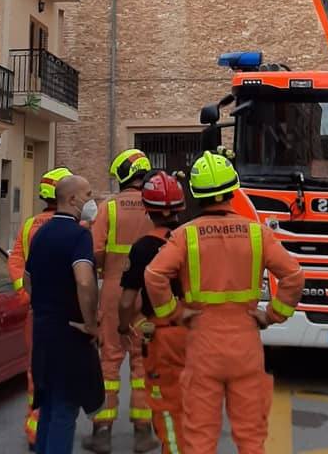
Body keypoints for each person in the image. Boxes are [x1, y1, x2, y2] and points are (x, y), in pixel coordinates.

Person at [145, 150, 304, 454]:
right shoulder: (258, 234)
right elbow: (294, 277)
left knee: (200, 439)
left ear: (196, 194)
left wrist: (176, 313)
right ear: (233, 190)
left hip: (203, 345)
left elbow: (154, 276)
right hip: (245, 345)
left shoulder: (184, 236)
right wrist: (271, 315)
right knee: (251, 438)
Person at [25, 175, 104, 454]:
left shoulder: (40, 234)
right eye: (89, 194)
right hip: (69, 333)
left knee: (47, 405)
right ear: (72, 200)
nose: (92, 200)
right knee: (64, 409)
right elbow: (84, 281)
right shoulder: (79, 235)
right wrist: (91, 323)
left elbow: (27, 281)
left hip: (43, 332)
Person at [85, 149, 157, 453]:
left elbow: (94, 252)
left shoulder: (108, 208)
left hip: (115, 291)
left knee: (109, 363)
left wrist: (107, 267)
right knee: (143, 363)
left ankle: (102, 432)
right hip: (150, 291)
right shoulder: (156, 205)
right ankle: (143, 433)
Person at [119, 172, 188, 454]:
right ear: (181, 206)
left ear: (147, 208)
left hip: (163, 336)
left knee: (166, 406)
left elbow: (126, 302)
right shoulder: (191, 239)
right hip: (198, 330)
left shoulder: (143, 248)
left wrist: (126, 326)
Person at [9, 167, 76, 449]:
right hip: (66, 314)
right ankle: (54, 429)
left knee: (36, 371)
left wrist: (25, 296)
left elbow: (15, 262)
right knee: (64, 372)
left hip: (36, 312)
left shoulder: (29, 225)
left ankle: (35, 430)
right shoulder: (75, 228)